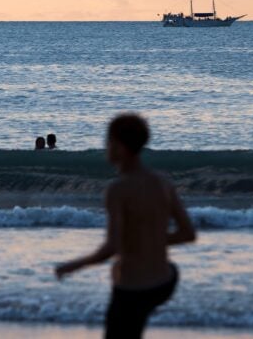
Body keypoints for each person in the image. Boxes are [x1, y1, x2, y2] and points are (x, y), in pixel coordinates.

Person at [55, 113, 196, 339]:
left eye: (108, 141)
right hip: (165, 281)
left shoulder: (118, 189)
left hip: (132, 288)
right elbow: (188, 234)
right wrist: (150, 239)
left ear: (120, 147)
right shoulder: (163, 182)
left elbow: (112, 247)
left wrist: (72, 265)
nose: (106, 147)